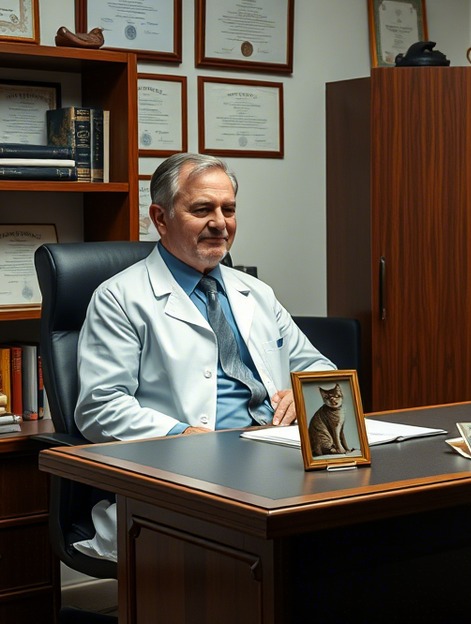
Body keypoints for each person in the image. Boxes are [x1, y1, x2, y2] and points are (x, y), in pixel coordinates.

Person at [71, 152, 334, 560]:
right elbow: (100, 407)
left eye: (228, 209)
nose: (220, 223)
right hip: (187, 471)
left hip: (276, 458)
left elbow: (320, 370)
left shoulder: (256, 293)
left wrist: (301, 398)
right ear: (160, 218)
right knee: (273, 552)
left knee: (358, 519)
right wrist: (183, 436)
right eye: (202, 210)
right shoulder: (120, 298)